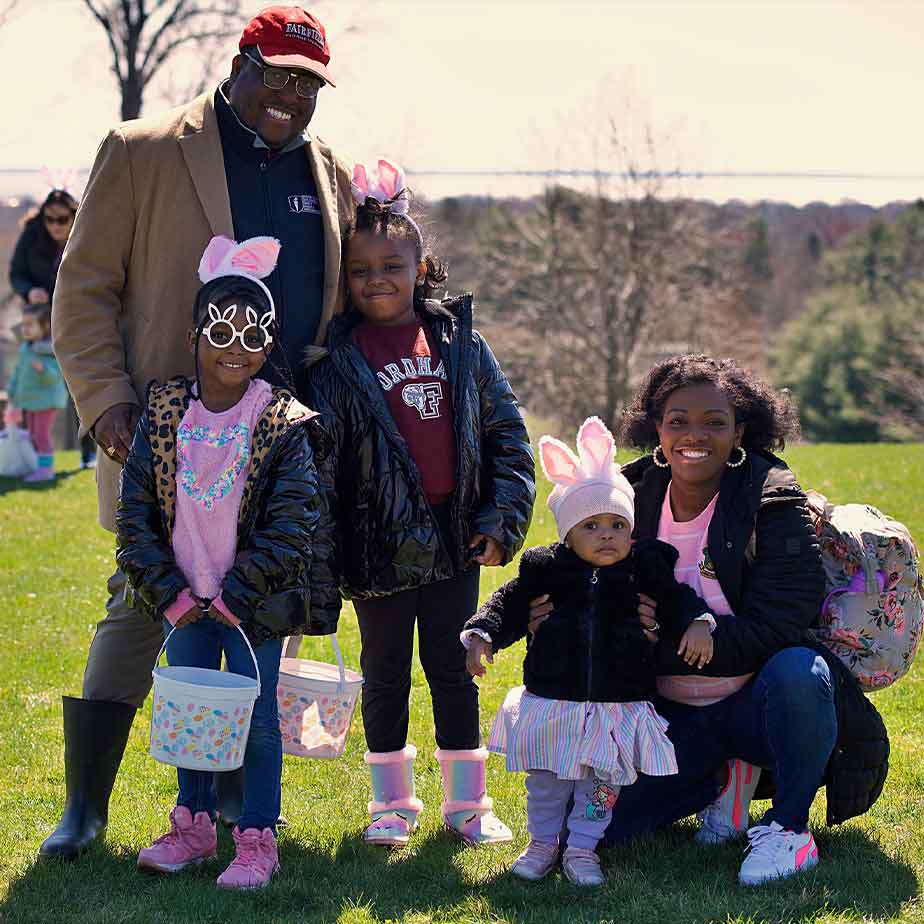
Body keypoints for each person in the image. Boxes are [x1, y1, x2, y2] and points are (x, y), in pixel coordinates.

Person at [45, 5, 352, 860]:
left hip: (278, 445)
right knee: (143, 604)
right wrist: (106, 400)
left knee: (258, 613)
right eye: (279, 74)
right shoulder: (143, 149)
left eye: (309, 83)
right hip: (166, 435)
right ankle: (85, 806)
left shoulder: (327, 170)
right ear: (241, 61)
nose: (291, 96)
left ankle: (227, 806)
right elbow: (85, 290)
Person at [528, 354, 888, 886]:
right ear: (657, 427)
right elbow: (582, 585)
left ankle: (789, 827)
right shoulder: (625, 496)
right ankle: (721, 779)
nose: (693, 435)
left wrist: (668, 637)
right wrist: (553, 617)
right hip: (660, 717)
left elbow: (782, 622)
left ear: (740, 430)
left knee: (800, 669)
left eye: (714, 422)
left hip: (755, 705)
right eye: (678, 421)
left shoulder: (773, 495)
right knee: (595, 834)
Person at [308, 161, 536, 848]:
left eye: (392, 265)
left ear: (421, 266)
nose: (377, 280)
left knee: (454, 667)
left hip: (454, 537)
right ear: (343, 280)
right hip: (376, 542)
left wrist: (502, 519)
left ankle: (468, 807)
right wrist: (326, 553)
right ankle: (392, 806)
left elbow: (506, 432)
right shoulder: (333, 362)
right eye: (360, 270)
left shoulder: (461, 345)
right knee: (384, 676)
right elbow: (320, 470)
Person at [115, 235, 337, 889]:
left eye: (250, 334)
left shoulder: (280, 422)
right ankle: (193, 825)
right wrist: (173, 597)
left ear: (267, 346)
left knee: (259, 718)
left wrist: (240, 593)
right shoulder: (163, 416)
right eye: (220, 329)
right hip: (183, 604)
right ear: (196, 336)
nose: (234, 347)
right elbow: (137, 520)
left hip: (251, 607)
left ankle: (257, 837)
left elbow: (292, 523)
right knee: (191, 717)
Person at [462, 417, 720, 886]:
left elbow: (679, 600)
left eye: (618, 525)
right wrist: (482, 633)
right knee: (547, 781)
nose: (607, 535)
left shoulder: (645, 568)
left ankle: (582, 848)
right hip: (554, 700)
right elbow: (510, 603)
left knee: (602, 784)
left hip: (616, 704)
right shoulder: (547, 568)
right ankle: (542, 843)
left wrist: (698, 623)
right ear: (567, 533)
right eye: (592, 525)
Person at [8, 189, 95, 468]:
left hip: (75, 321)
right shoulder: (32, 236)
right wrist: (29, 289)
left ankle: (89, 452)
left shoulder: (87, 234)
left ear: (74, 216)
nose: (55, 225)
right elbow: (16, 273)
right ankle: (34, 457)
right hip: (39, 325)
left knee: (79, 386)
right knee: (31, 380)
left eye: (62, 219)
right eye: (49, 219)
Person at [6, 302, 68, 481]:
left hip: (46, 401)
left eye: (30, 325)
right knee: (32, 435)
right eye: (23, 324)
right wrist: (11, 390)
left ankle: (46, 471)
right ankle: (37, 466)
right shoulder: (26, 347)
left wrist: (43, 370)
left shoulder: (49, 349)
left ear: (45, 326)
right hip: (31, 400)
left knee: (41, 435)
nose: (25, 329)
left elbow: (56, 377)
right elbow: (19, 371)